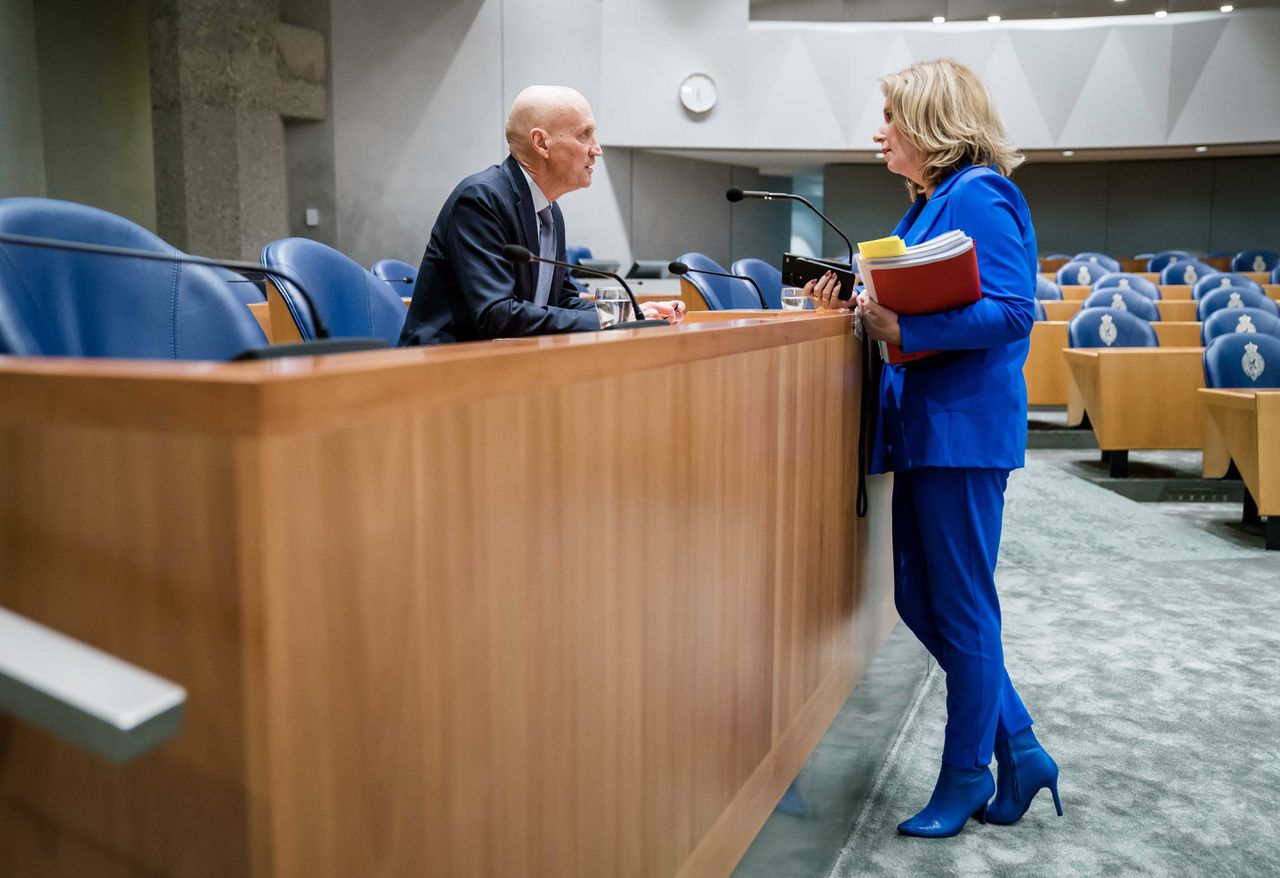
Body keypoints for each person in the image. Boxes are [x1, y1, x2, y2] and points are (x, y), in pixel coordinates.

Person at [807, 59, 1061, 838]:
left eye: (890, 116)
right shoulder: (926, 206)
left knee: (960, 607)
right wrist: (857, 304)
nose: (878, 131)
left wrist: (905, 330)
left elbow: (1015, 311)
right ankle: (1019, 747)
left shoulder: (979, 192)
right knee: (921, 600)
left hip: (962, 432)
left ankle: (966, 777)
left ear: (930, 124)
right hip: (925, 427)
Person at [399, 86, 683, 347]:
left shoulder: (548, 210)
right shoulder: (481, 200)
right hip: (440, 371)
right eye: (584, 134)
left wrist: (632, 313)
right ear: (541, 143)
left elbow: (563, 300)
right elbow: (497, 315)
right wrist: (609, 321)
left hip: (505, 365)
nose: (597, 150)